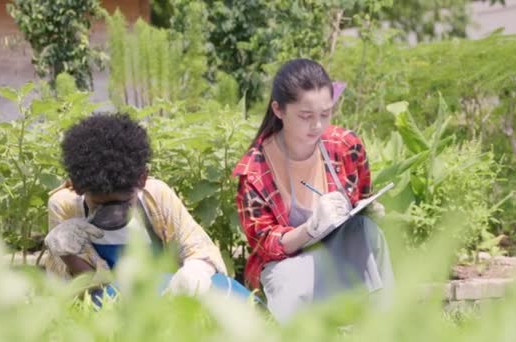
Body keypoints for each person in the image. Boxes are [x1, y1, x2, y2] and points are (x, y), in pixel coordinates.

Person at [233, 59, 394, 322]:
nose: (317, 126)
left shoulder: (346, 146)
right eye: (306, 116)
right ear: (279, 110)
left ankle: (386, 326)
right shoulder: (254, 171)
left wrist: (369, 209)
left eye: (325, 114)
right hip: (289, 264)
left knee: (367, 230)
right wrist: (311, 228)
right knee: (286, 279)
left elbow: (362, 197)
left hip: (341, 251)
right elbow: (264, 244)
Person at [43, 113, 251, 302]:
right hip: (111, 297)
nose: (113, 214)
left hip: (168, 292)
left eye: (124, 203)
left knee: (226, 291)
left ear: (142, 179)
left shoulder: (156, 196)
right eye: (99, 205)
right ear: (79, 187)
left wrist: (194, 271)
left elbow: (199, 248)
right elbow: (79, 290)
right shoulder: (64, 206)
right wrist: (66, 254)